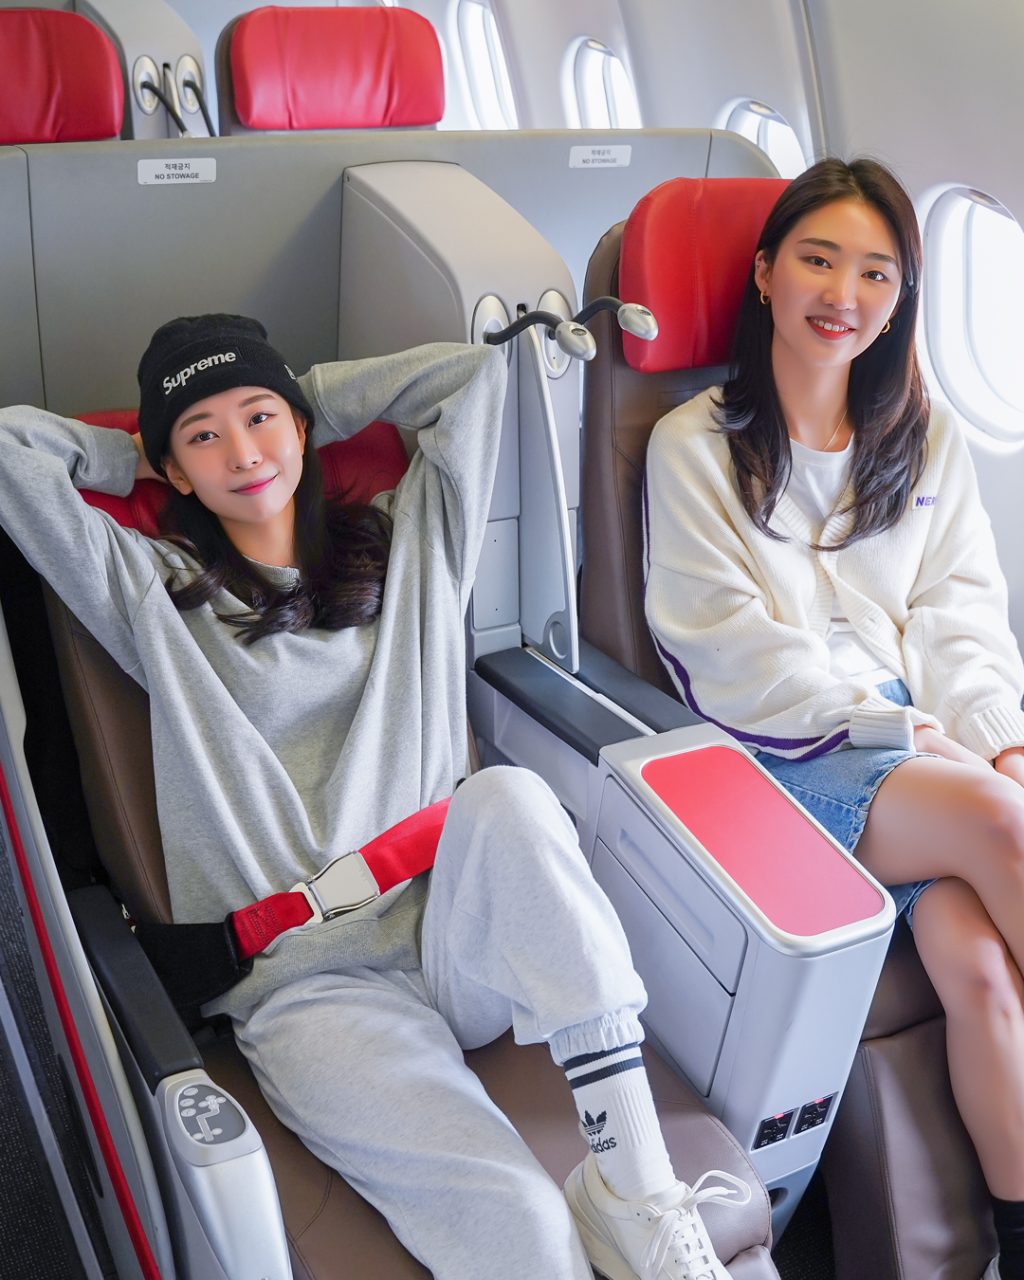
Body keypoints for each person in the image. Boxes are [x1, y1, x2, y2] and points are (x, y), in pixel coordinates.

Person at [0, 314, 752, 1280]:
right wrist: (136, 451)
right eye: (203, 436)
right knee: (523, 1228)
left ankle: (638, 1192)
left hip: (448, 935)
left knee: (511, 799)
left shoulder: (409, 543)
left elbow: (470, 382)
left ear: (301, 426)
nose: (244, 453)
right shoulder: (154, 593)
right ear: (175, 470)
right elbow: (11, 454)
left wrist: (308, 397)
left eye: (261, 417)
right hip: (311, 989)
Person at [643, 157, 1024, 1280]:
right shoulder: (692, 445)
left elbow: (961, 615)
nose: (842, 294)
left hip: (922, 746)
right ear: (765, 272)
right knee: (1004, 826)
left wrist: (997, 739)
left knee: (979, 971)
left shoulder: (926, 437)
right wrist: (914, 741)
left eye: (874, 272)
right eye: (817, 260)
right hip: (780, 753)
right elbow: (729, 652)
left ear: (899, 298)